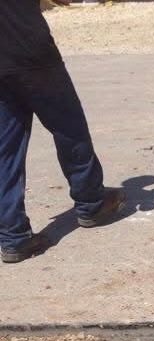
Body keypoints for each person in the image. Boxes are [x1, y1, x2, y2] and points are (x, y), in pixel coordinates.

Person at [0, 0, 124, 264]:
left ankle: (14, 237)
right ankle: (91, 202)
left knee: (6, 150)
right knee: (69, 128)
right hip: (32, 53)